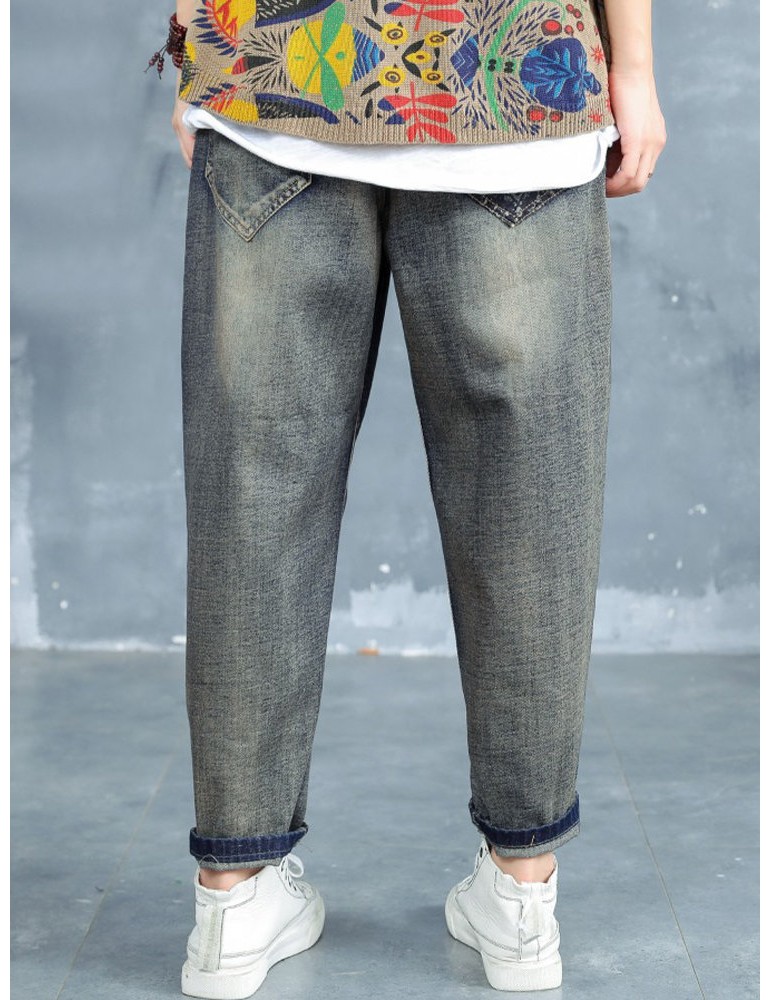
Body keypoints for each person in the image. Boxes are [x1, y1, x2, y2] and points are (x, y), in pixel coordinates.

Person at [150, 0, 666, 994]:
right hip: (509, 85)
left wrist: (194, 34)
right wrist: (634, 73)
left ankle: (233, 900)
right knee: (527, 500)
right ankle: (519, 893)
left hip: (274, 68)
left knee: (254, 492)